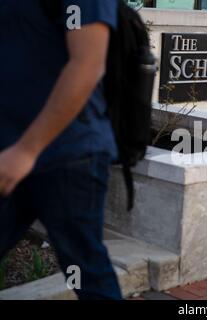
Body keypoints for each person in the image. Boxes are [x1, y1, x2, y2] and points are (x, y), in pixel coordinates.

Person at [0, 0, 122, 300]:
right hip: (9, 155)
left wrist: (26, 151)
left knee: (85, 270)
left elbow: (87, 64)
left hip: (68, 155)